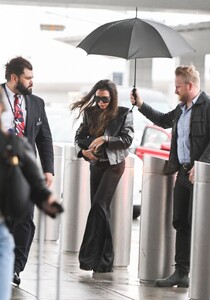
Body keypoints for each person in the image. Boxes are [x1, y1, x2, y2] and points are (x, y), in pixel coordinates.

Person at [130, 65, 210, 287]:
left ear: (190, 85)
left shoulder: (209, 106)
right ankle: (182, 273)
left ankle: (203, 275)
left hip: (204, 176)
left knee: (202, 225)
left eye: (178, 86)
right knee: (181, 222)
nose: (175, 90)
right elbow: (163, 120)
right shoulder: (180, 110)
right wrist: (140, 105)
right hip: (184, 174)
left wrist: (202, 164)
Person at [0, 86, 63, 300]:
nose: (31, 81)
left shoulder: (16, 140)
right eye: (28, 77)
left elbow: (44, 138)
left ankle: (15, 268)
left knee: (24, 221)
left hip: (19, 177)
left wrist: (46, 189)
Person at [70, 79, 134, 273]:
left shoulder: (124, 113)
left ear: (112, 97)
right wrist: (82, 152)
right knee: (101, 210)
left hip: (114, 165)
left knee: (99, 206)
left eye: (105, 99)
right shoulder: (91, 113)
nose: (100, 103)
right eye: (97, 98)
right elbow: (78, 138)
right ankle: (103, 262)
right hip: (96, 164)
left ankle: (90, 256)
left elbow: (127, 140)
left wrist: (105, 139)